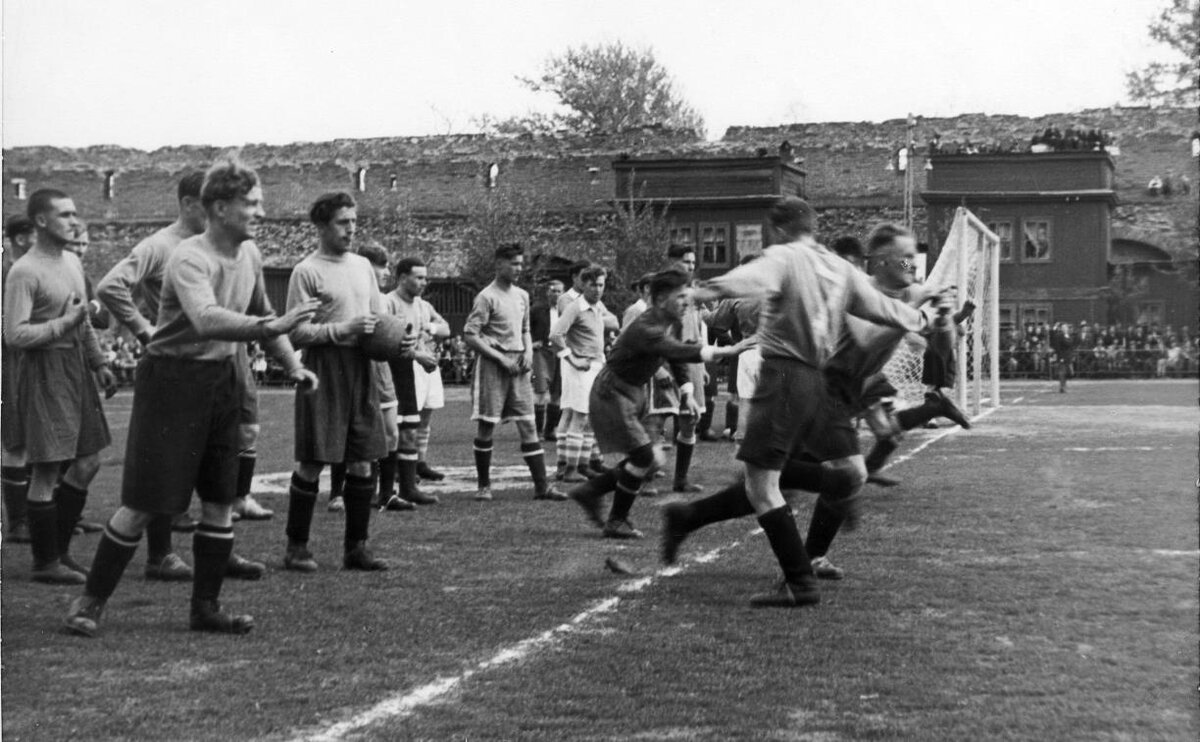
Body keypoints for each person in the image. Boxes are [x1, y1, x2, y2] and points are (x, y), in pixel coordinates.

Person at [63, 161, 319, 637]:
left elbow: (262, 311)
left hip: (221, 380)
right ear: (219, 208)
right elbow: (206, 318)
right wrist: (272, 326)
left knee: (220, 501)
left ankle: (206, 609)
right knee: (145, 503)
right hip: (173, 383)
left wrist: (292, 364)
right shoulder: (188, 257)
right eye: (251, 203)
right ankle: (90, 601)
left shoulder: (250, 254)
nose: (261, 212)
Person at [679, 197, 937, 607]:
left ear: (779, 230)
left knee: (765, 484)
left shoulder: (790, 256)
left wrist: (700, 291)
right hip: (819, 381)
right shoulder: (843, 270)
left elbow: (750, 277)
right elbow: (880, 315)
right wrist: (919, 316)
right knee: (810, 475)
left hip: (793, 376)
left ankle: (800, 576)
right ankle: (805, 551)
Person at [97, 171, 274, 584]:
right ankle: (160, 555)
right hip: (180, 362)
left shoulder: (235, 248)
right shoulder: (162, 246)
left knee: (227, 461)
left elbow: (256, 307)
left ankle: (218, 554)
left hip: (226, 356)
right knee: (164, 474)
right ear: (194, 204)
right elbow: (111, 285)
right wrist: (144, 329)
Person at [565, 269, 751, 538]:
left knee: (651, 460)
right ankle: (615, 520)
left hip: (631, 391)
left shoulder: (670, 320)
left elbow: (675, 357)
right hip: (612, 392)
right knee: (645, 457)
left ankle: (591, 491)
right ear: (662, 299)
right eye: (681, 297)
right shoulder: (646, 326)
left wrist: (687, 392)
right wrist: (726, 350)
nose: (687, 302)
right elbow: (676, 350)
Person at [282, 192, 402, 573]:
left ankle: (356, 548)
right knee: (312, 460)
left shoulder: (363, 266)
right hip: (323, 369)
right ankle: (296, 548)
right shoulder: (306, 271)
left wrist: (400, 341)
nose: (351, 229)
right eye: (342, 222)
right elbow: (295, 333)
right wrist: (343, 329)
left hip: (362, 367)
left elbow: (378, 321)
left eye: (354, 221)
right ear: (321, 226)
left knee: (363, 460)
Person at [4, 191, 117, 584]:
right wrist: (63, 324)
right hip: (43, 370)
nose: (74, 221)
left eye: (75, 213)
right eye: (65, 214)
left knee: (88, 462)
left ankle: (61, 550)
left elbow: (82, 319)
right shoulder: (24, 272)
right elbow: (15, 334)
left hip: (75, 367)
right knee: (47, 468)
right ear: (40, 221)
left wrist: (99, 362)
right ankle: (45, 562)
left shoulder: (71, 261)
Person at [462, 243, 565, 502]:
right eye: (514, 264)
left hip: (519, 365)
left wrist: (528, 351)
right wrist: (500, 358)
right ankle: (484, 487)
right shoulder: (486, 297)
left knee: (528, 423)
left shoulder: (522, 295)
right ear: (499, 265)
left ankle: (542, 487)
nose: (519, 268)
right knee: (487, 425)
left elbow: (525, 329)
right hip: (493, 366)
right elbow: (471, 335)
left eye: (521, 263)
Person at [383, 256, 446, 506]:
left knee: (409, 430)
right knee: (389, 432)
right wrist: (418, 354)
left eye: (425, 278)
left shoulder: (421, 306)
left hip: (408, 373)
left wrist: (427, 336)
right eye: (418, 277)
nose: (423, 282)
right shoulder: (388, 303)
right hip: (389, 373)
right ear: (402, 278)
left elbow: (443, 329)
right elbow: (384, 342)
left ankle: (408, 489)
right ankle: (384, 489)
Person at [548, 265, 619, 482]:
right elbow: (555, 335)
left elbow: (613, 324)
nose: (598, 289)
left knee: (584, 416)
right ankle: (571, 469)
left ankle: (578, 465)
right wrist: (573, 358)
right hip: (581, 368)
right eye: (593, 285)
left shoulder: (596, 307)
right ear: (584, 285)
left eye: (601, 285)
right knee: (579, 416)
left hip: (594, 365)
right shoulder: (575, 306)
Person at [355, 243, 411, 512]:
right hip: (357, 369)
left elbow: (389, 338)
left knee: (391, 433)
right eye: (382, 266)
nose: (387, 272)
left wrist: (404, 341)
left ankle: (387, 494)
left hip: (382, 371)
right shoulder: (352, 295)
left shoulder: (383, 300)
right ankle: (345, 493)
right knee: (356, 435)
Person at [2, 215, 37, 545]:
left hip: (32, 361)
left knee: (33, 438)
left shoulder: (30, 271)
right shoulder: (7, 273)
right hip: (9, 362)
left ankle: (38, 513)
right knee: (15, 441)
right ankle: (18, 522)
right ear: (22, 238)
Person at [663, 244, 707, 493]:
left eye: (692, 262)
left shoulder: (692, 293)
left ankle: (680, 479)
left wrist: (703, 366)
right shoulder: (663, 290)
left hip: (691, 361)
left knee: (690, 419)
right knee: (656, 419)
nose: (690, 266)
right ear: (672, 262)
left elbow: (697, 328)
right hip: (667, 360)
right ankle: (642, 476)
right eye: (685, 261)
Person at [530, 279, 564, 442]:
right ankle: (537, 431)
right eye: (553, 291)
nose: (556, 294)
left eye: (559, 291)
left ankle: (551, 430)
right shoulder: (536, 309)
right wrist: (531, 342)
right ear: (547, 292)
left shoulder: (567, 310)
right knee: (541, 390)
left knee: (557, 392)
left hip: (560, 352)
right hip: (541, 352)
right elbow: (525, 328)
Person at [1050, 322, 1079, 393]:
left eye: (1066, 327)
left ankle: (1064, 386)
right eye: (1063, 327)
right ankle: (1062, 387)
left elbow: (1072, 344)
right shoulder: (1059, 336)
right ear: (1061, 329)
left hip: (1068, 356)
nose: (1065, 329)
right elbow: (1057, 347)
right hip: (1062, 356)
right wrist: (1060, 357)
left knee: (1067, 373)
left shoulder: (1069, 335)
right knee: (1062, 372)